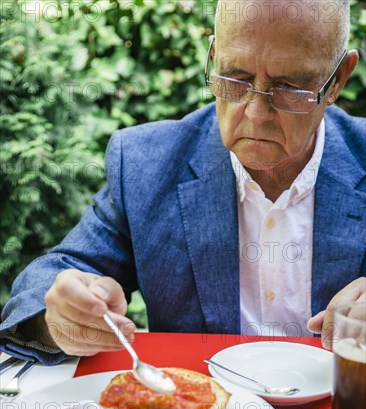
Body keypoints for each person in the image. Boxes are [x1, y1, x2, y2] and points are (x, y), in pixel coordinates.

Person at [1, 0, 365, 365]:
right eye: (235, 78)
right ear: (213, 55)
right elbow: (54, 275)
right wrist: (62, 315)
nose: (255, 113)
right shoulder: (147, 164)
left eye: (288, 87)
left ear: (338, 80)